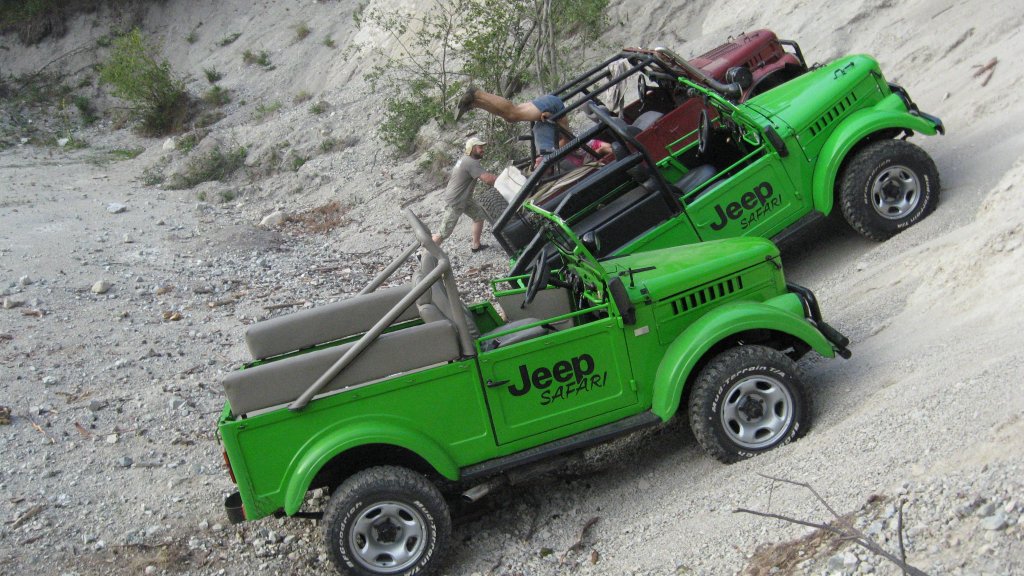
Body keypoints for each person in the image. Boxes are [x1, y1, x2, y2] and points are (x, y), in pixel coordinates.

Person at [456, 86, 570, 154]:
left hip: (552, 107)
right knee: (514, 113)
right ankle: (477, 93)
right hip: (554, 107)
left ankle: (474, 102)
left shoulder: (553, 145)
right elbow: (566, 139)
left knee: (510, 117)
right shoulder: (566, 145)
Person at [432, 137, 497, 252]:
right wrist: (505, 180)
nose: (483, 149)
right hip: (456, 200)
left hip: (464, 198)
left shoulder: (465, 159)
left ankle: (476, 246)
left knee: (479, 215)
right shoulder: (470, 162)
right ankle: (423, 253)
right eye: (480, 147)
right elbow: (488, 179)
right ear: (471, 149)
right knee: (444, 232)